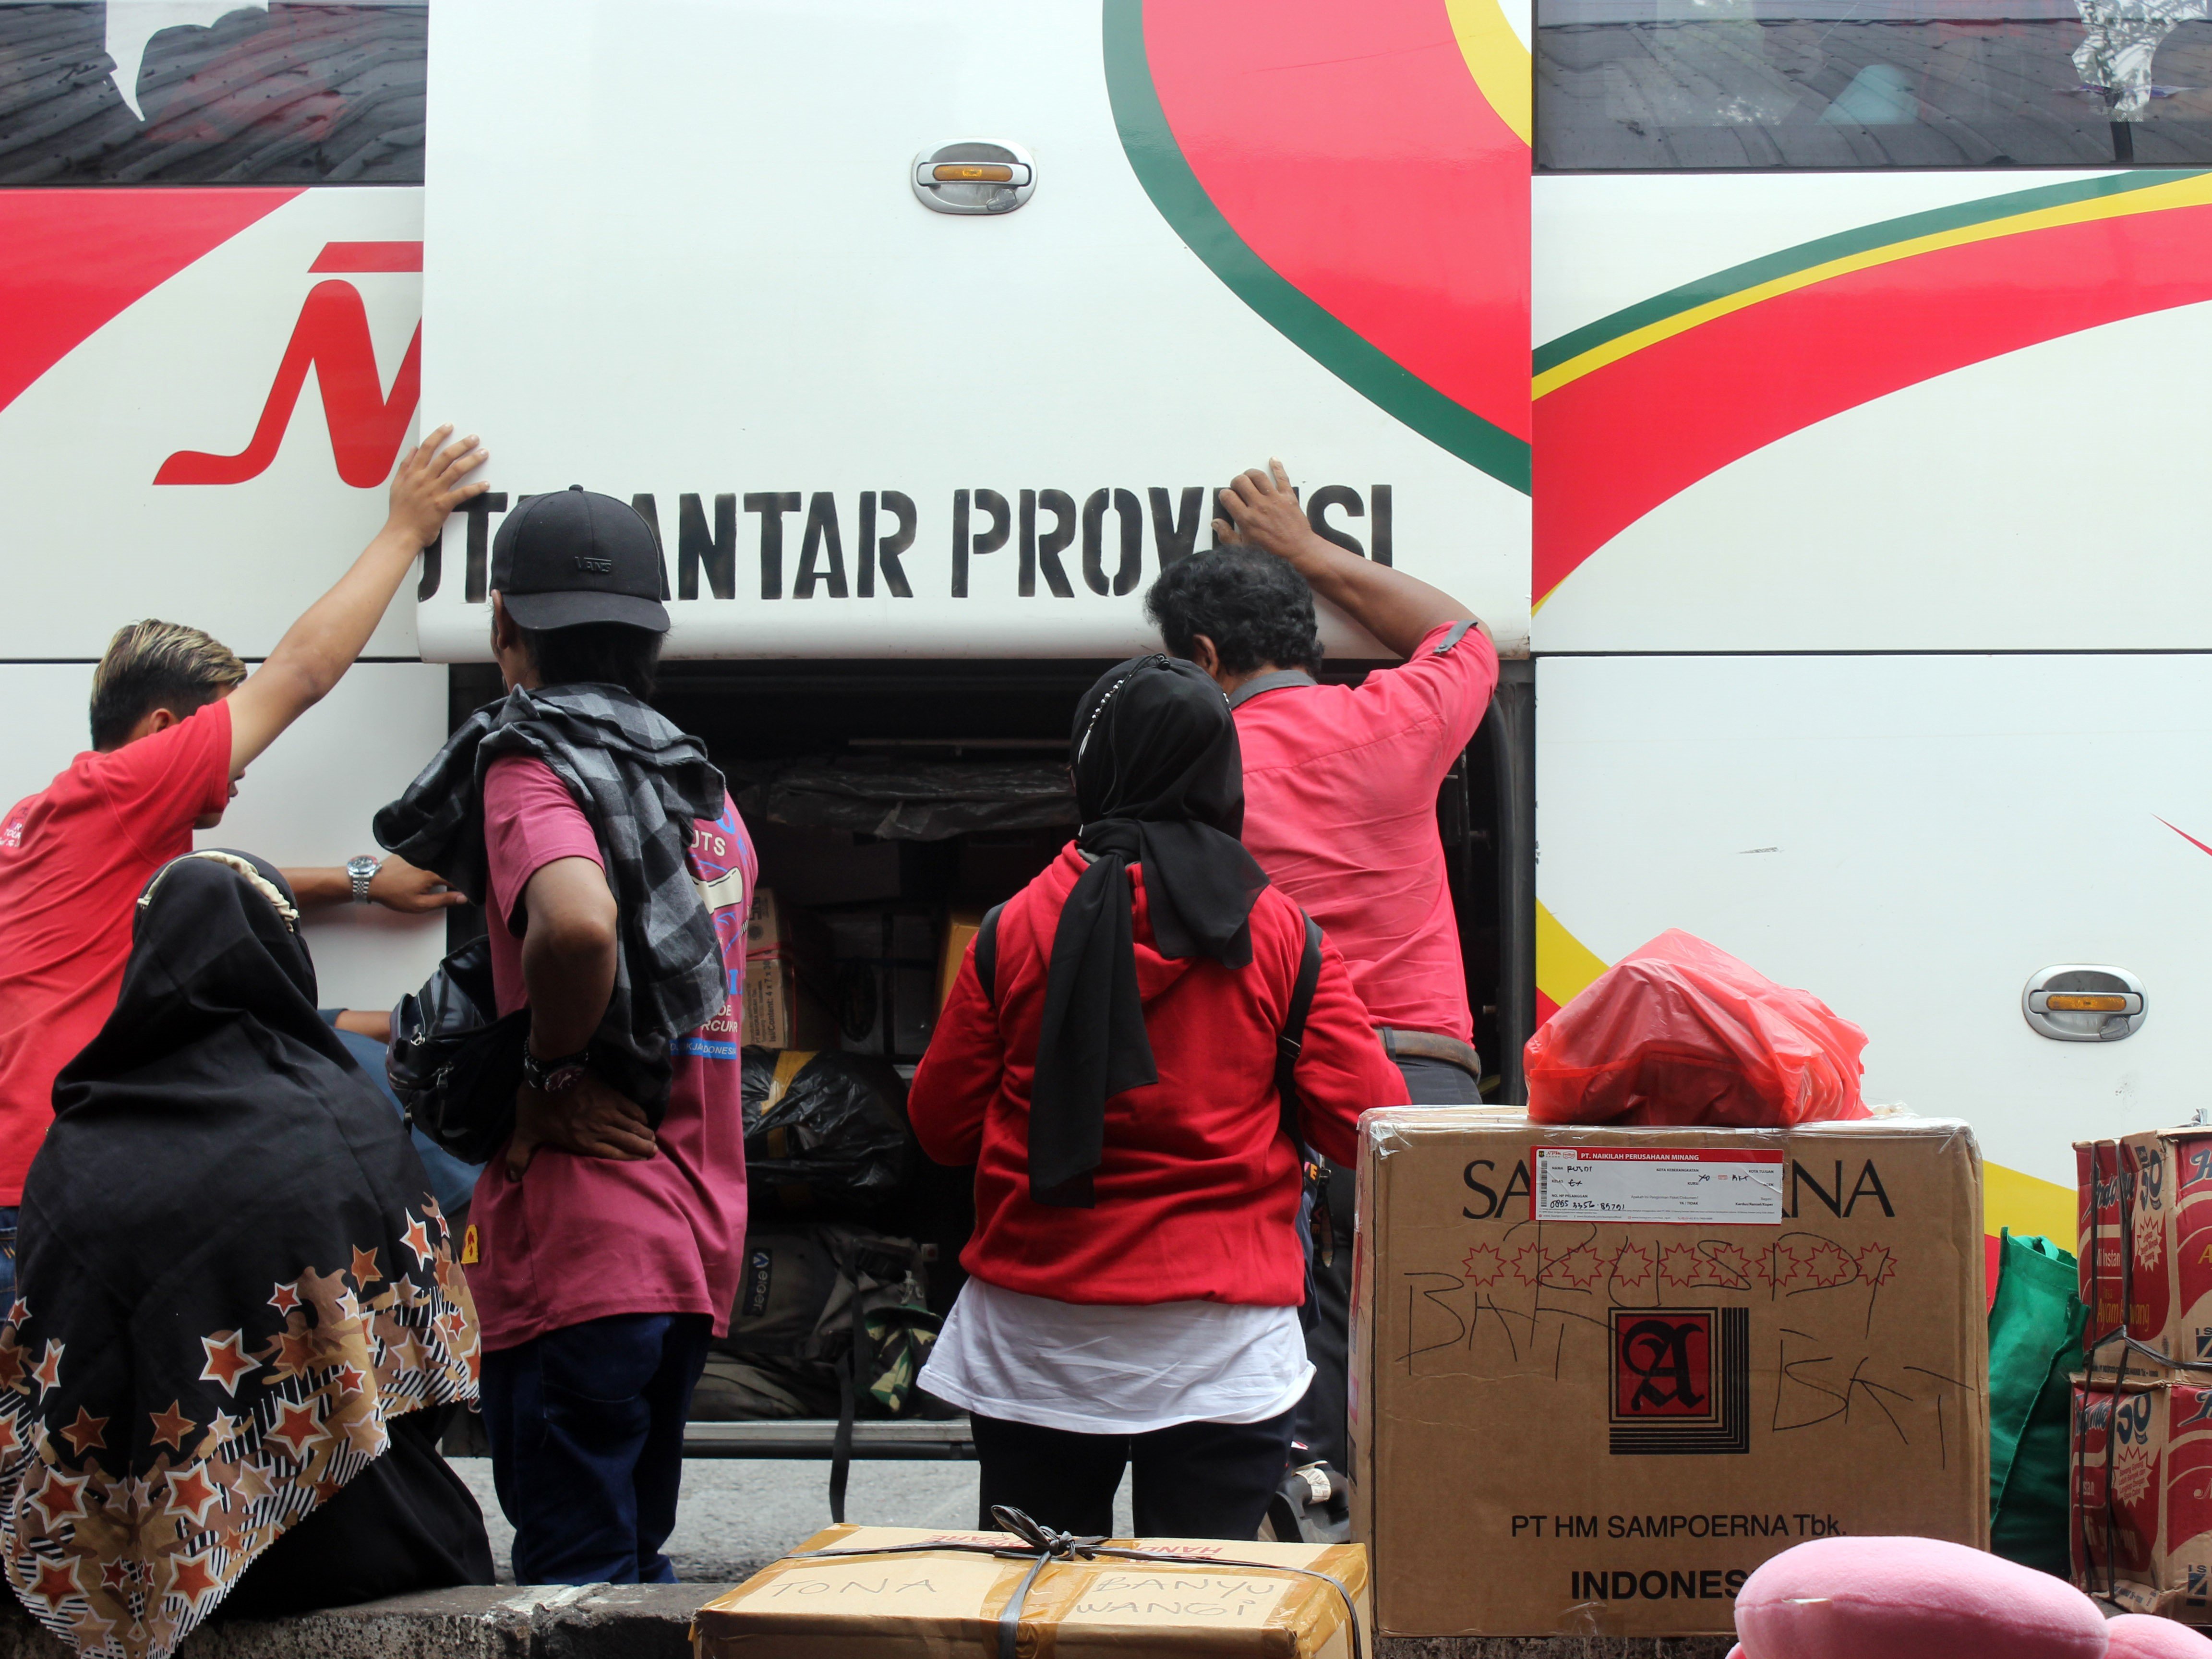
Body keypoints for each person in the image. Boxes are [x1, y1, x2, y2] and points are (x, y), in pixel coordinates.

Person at [908, 654, 1406, 1541]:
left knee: (1039, 1616)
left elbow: (941, 1131)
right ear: (1224, 773)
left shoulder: (1013, 927)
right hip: (1224, 1351)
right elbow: (1375, 1119)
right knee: (1205, 1618)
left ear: (1088, 773)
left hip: (1036, 1348)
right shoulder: (1281, 933)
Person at [0, 426, 490, 1306]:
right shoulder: (124, 788)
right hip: (54, 1195)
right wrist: (405, 530)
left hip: (25, 1189)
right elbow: (302, 673)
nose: (239, 768)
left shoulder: (47, 828)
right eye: (222, 742)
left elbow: (206, 895)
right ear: (161, 734)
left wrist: (360, 881)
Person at [374, 487, 756, 1586]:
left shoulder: (533, 763)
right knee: (634, 1567)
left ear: (504, 628)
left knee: (572, 1588)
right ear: (653, 633)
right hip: (690, 1237)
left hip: (584, 1237)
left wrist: (546, 1072)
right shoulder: (701, 791)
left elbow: (579, 926)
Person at [3, 851, 491, 1659]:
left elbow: (49, 1392)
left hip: (132, 1552)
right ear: (284, 956)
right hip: (346, 1540)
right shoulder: (347, 1115)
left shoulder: (75, 1143)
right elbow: (427, 1378)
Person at [1143, 457, 1501, 1503]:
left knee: (1270, 1303)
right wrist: (1310, 550)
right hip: (1420, 1079)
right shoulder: (1397, 719)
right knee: (1421, 1316)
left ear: (1202, 657)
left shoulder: (1189, 772)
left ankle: (1292, 1486)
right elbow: (1462, 634)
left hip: (1272, 1082)